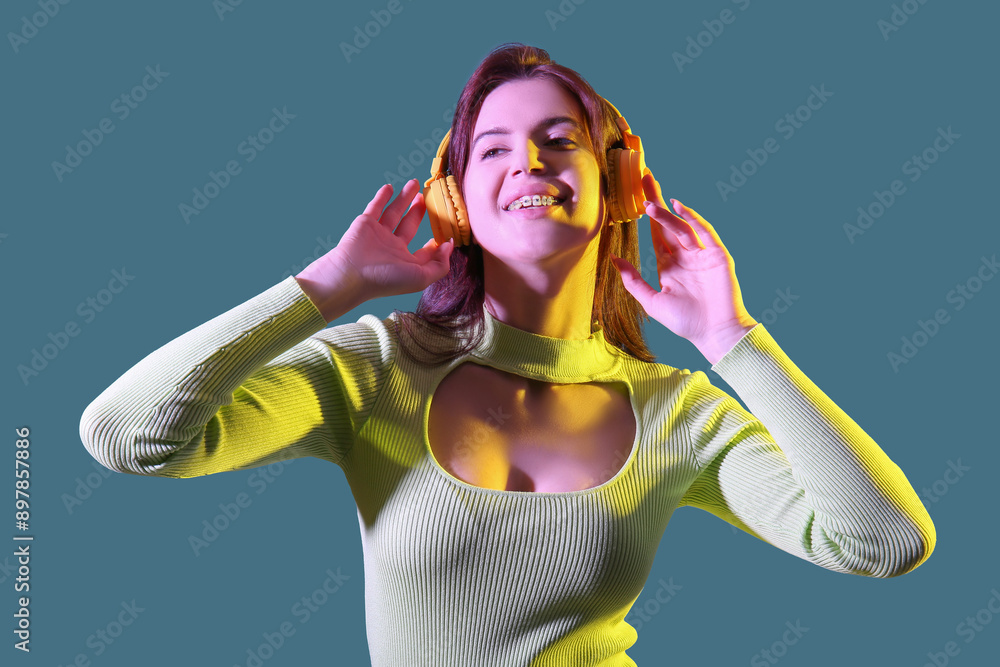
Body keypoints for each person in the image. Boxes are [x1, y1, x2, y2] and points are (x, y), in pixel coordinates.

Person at [79, 42, 935, 666]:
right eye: (493, 147)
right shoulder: (374, 368)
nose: (529, 159)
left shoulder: (679, 411)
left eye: (561, 140)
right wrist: (324, 288)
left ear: (619, 185)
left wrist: (733, 343)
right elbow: (128, 436)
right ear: (455, 199)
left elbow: (884, 540)